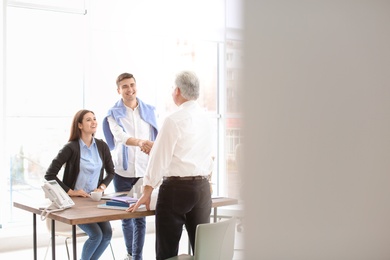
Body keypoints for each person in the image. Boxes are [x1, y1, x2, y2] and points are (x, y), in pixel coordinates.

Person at [130, 71, 214, 260]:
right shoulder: (206, 119)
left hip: (176, 190)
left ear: (177, 91)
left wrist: (147, 190)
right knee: (203, 251)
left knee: (167, 251)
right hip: (202, 188)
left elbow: (159, 159)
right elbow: (200, 154)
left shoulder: (173, 120)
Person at [45, 109, 115, 260]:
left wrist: (102, 187)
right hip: (74, 205)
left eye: (94, 119)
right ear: (80, 125)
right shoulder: (71, 148)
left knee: (107, 234)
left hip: (93, 203)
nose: (93, 122)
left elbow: (111, 172)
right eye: (88, 119)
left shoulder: (102, 146)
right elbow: (49, 175)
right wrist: (71, 191)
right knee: (96, 235)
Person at [102, 72, 158, 260]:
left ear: (136, 86)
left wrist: (151, 147)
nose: (129, 89)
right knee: (126, 217)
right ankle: (129, 253)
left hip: (144, 170)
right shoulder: (113, 114)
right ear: (118, 90)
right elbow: (120, 137)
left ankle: (137, 257)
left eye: (132, 85)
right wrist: (141, 142)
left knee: (140, 216)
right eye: (125, 86)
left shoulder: (149, 110)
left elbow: (156, 137)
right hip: (123, 172)